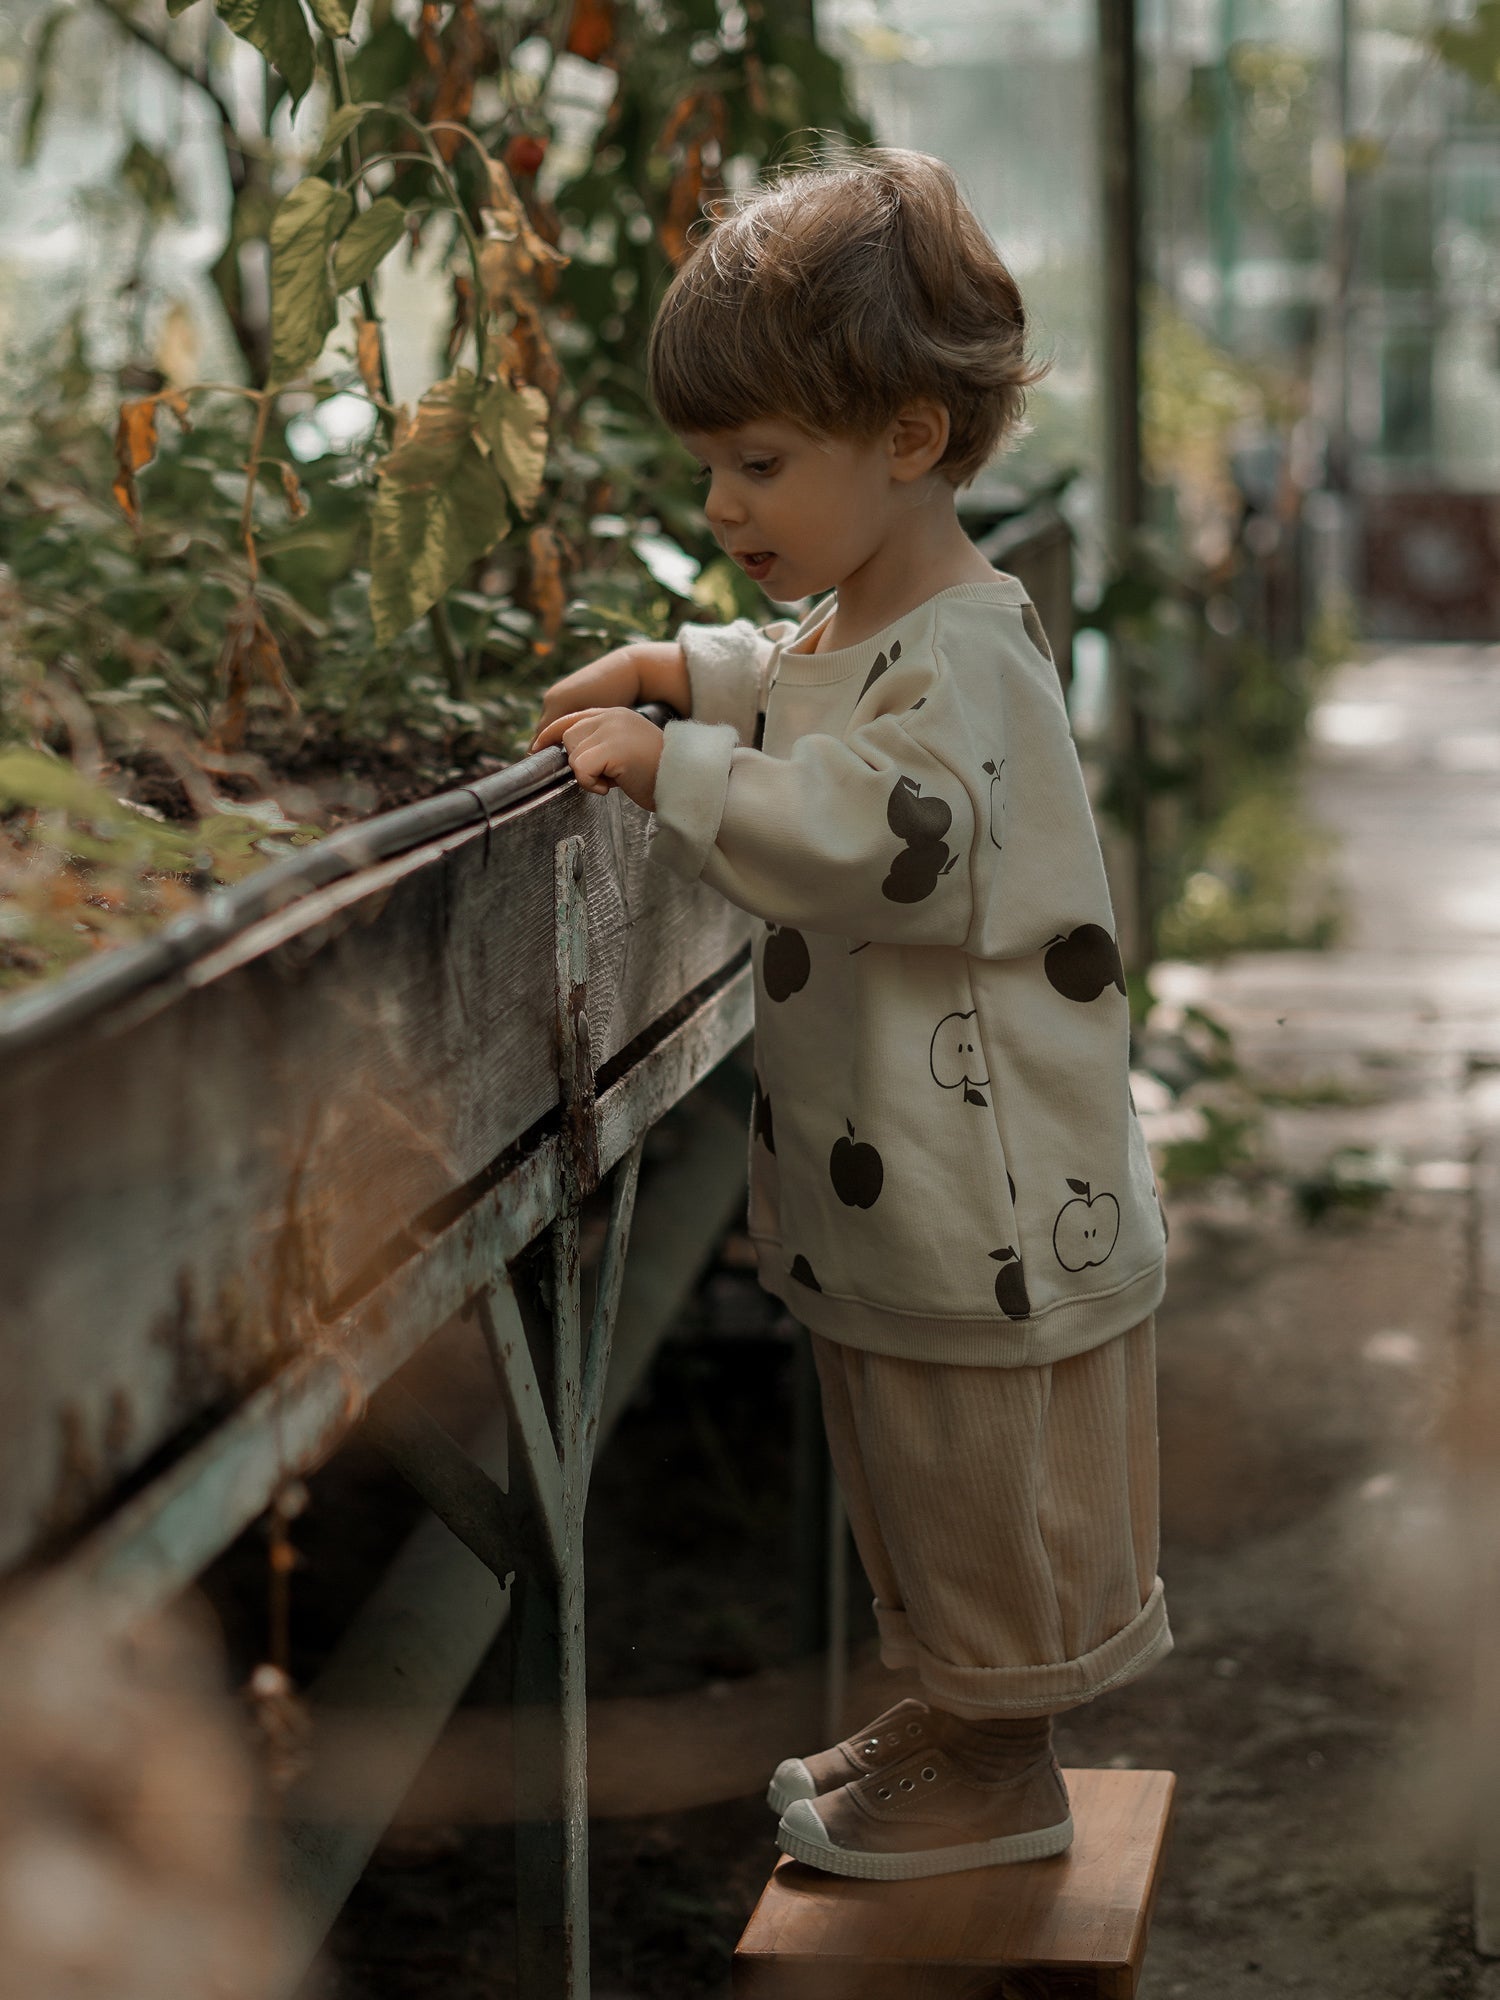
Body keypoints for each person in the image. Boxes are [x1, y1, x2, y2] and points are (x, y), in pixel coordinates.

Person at [528, 146, 1170, 1884]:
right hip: (918, 1177)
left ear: (904, 437)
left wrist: (677, 765)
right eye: (711, 468)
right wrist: (690, 668)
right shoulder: (891, 618)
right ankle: (965, 1716)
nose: (726, 506)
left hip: (992, 1201)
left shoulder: (967, 653)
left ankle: (1002, 1756)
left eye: (758, 464)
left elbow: (879, 833)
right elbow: (823, 678)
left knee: (977, 1475)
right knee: (916, 1458)